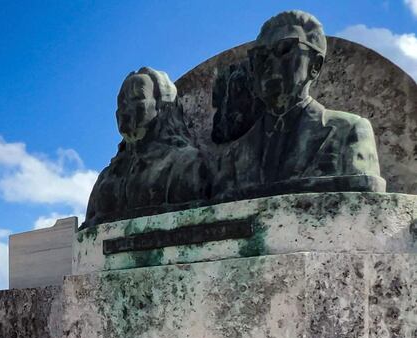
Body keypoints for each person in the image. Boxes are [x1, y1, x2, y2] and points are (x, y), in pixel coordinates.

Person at [215, 10, 384, 200]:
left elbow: (364, 203)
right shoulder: (234, 156)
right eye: (261, 57)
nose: (270, 64)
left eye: (285, 49)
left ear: (315, 66)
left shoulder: (349, 131)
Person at [83, 67, 210, 228]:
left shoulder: (186, 164)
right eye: (121, 102)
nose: (125, 108)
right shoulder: (106, 178)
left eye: (137, 97)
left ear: (162, 106)